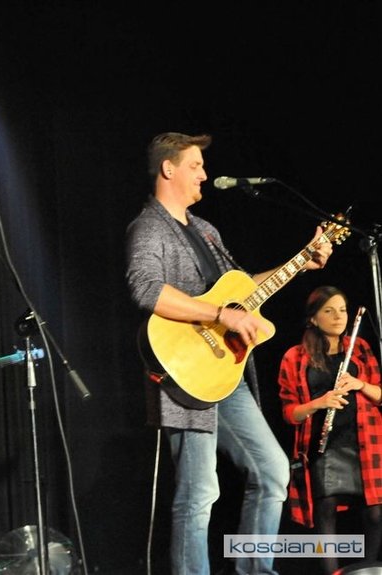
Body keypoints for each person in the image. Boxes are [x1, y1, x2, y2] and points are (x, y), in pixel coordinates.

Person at [124, 132, 333, 575]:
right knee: (200, 492)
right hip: (184, 374)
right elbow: (146, 289)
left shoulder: (206, 231)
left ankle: (255, 570)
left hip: (224, 373)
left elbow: (244, 290)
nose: (204, 174)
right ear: (168, 169)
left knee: (273, 471)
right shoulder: (149, 226)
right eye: (195, 165)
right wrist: (220, 313)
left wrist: (302, 262)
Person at [278, 286, 382, 574]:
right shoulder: (294, 357)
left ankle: (367, 571)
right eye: (329, 310)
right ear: (313, 318)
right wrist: (319, 403)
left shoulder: (360, 348)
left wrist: (360, 384)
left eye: (343, 310)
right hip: (325, 446)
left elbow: (380, 394)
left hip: (366, 442)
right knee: (326, 510)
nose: (339, 316)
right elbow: (289, 413)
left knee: (376, 513)